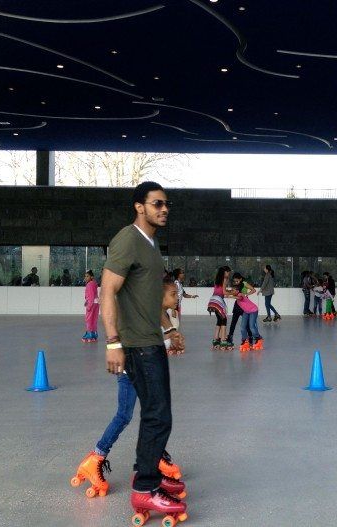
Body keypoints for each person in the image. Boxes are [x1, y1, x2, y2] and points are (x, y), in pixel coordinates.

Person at [101, 181, 188, 522]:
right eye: (156, 204)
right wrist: (112, 341)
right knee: (157, 414)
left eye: (166, 204)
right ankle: (145, 489)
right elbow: (108, 290)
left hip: (151, 339)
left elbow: (148, 297)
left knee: (157, 413)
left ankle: (146, 474)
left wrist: (168, 330)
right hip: (136, 344)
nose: (164, 208)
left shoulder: (152, 245)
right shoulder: (128, 239)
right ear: (139, 206)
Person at [72, 278, 186, 500]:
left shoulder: (153, 307)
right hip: (130, 370)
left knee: (155, 415)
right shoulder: (141, 312)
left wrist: (171, 332)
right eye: (173, 294)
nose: (177, 297)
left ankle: (155, 459)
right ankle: (95, 458)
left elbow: (161, 314)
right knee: (124, 415)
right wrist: (171, 341)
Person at [232, 273, 263, 351]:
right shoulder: (237, 293)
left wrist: (229, 296)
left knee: (252, 326)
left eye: (234, 290)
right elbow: (232, 294)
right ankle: (244, 341)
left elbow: (238, 297)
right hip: (246, 311)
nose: (232, 291)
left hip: (253, 310)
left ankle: (258, 338)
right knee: (243, 327)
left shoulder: (241, 295)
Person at [208, 266, 234, 351]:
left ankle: (216, 340)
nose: (229, 274)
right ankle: (223, 340)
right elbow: (224, 292)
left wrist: (230, 293)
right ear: (225, 272)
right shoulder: (225, 279)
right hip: (218, 300)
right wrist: (232, 292)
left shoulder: (217, 279)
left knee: (219, 320)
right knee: (224, 320)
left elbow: (222, 293)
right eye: (228, 272)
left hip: (213, 300)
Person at [82, 270, 99, 343]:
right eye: (85, 276)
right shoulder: (94, 284)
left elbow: (91, 296)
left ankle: (89, 335)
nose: (85, 278)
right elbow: (93, 295)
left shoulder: (89, 284)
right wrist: (87, 301)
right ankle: (94, 334)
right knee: (94, 320)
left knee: (89, 320)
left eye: (87, 276)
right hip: (96, 303)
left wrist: (89, 306)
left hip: (91, 304)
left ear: (92, 277)